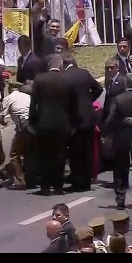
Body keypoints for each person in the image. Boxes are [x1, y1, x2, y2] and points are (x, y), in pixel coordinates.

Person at [28, 54, 76, 196]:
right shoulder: (67, 80)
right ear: (61, 65)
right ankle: (58, 186)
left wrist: (32, 123)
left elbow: (34, 104)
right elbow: (72, 104)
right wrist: (72, 123)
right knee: (60, 156)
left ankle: (45, 186)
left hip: (44, 123)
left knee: (44, 156)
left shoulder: (39, 79)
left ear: (49, 65)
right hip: (62, 124)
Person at [62, 54, 103, 192]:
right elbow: (99, 89)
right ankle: (86, 182)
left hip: (75, 120)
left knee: (76, 153)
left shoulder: (65, 78)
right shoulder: (84, 73)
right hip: (89, 118)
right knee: (88, 151)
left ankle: (78, 183)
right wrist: (88, 101)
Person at [103, 73, 132, 209]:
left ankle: (120, 200)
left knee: (120, 169)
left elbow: (110, 119)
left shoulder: (118, 99)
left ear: (126, 84)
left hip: (121, 139)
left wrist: (105, 133)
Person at [0, 84, 31, 190]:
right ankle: (32, 177)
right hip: (35, 125)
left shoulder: (8, 98)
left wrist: (3, 123)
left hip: (24, 126)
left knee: (14, 154)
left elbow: (1, 118)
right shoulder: (27, 97)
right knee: (29, 151)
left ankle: (20, 181)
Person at [102, 58, 125, 122]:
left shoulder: (123, 81)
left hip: (117, 116)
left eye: (111, 67)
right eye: (107, 68)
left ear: (117, 67)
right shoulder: (109, 81)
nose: (109, 70)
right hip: (108, 114)